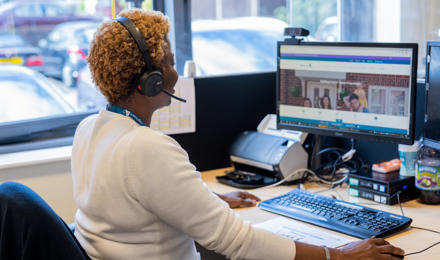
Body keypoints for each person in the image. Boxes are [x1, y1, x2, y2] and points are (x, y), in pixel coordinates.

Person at [69, 9, 404, 260]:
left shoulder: (91, 129)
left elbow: (135, 203)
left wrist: (207, 201)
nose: (174, 70)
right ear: (151, 81)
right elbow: (238, 241)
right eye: (170, 62)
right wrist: (339, 255)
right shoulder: (147, 148)